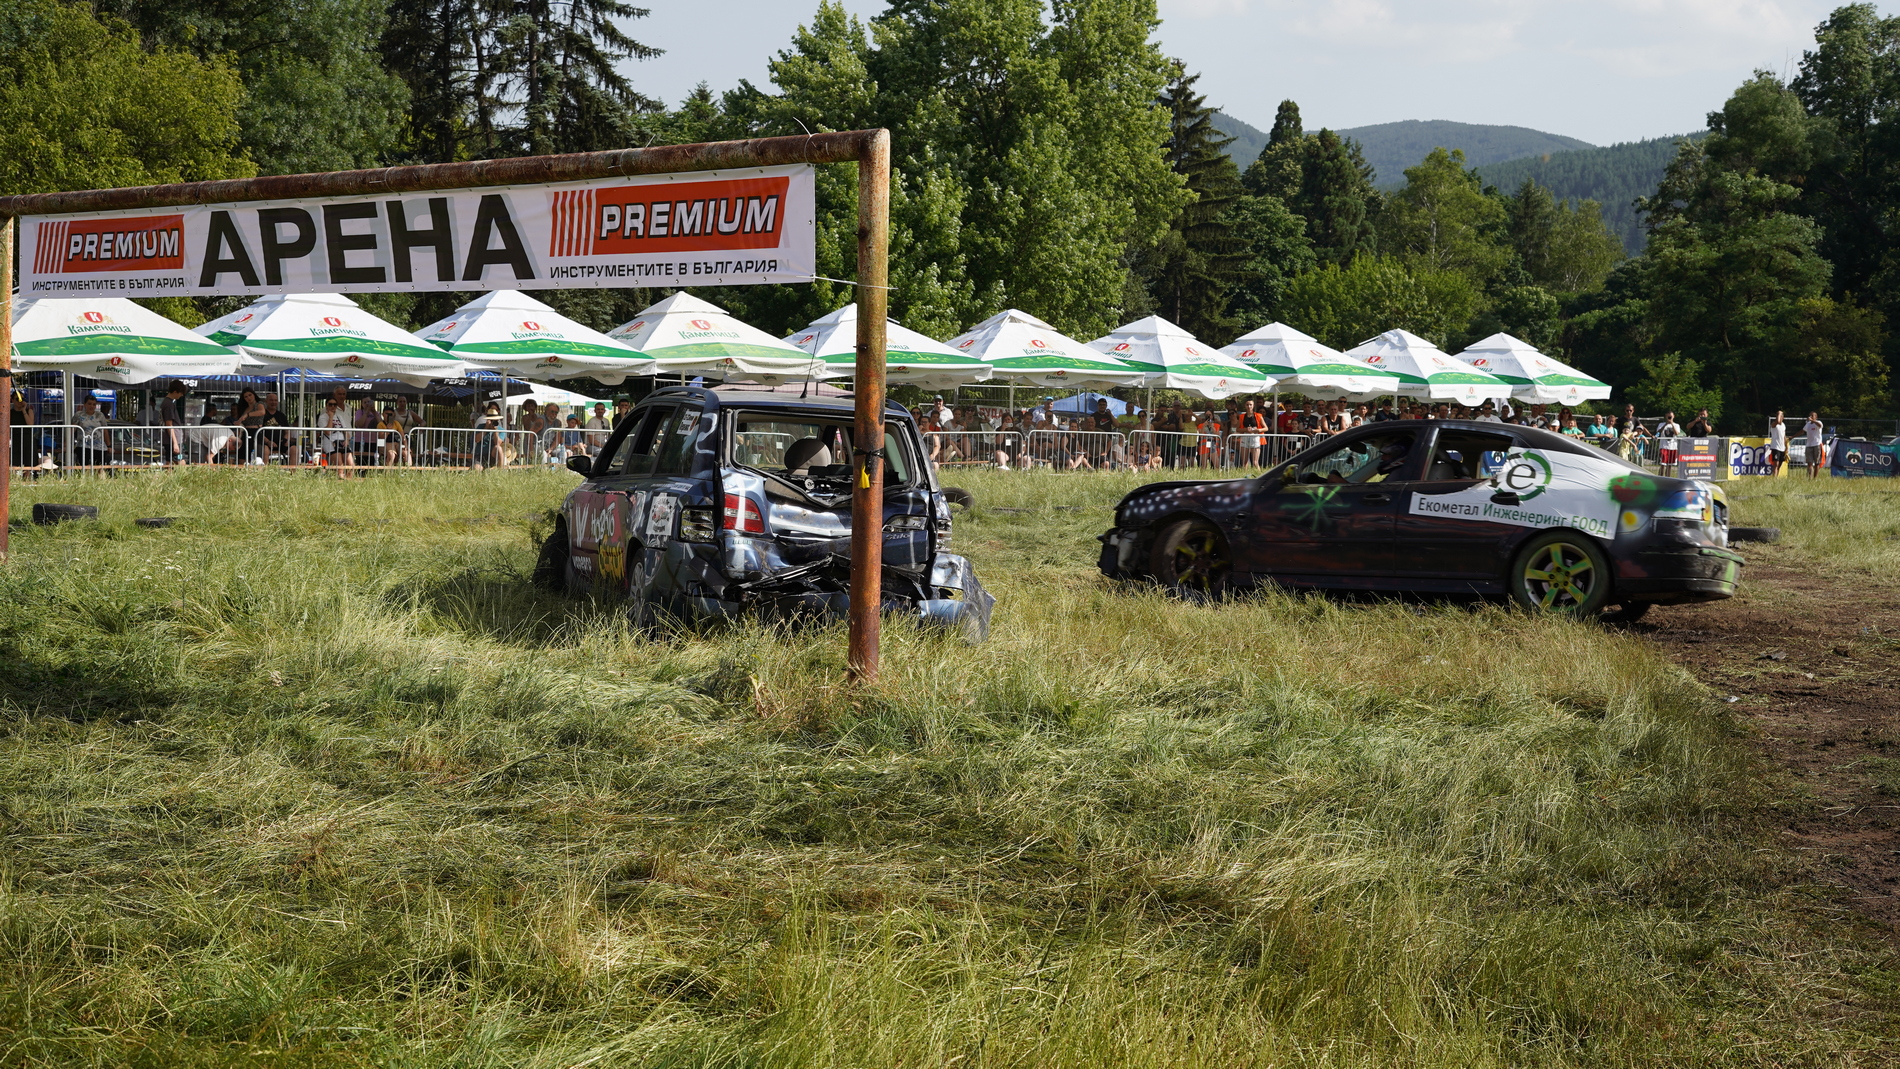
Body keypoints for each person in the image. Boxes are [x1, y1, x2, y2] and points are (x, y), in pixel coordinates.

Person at [320, 392, 354, 476]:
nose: (332, 407)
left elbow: (345, 431)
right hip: (331, 443)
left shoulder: (339, 417)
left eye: (335, 405)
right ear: (326, 405)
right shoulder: (323, 417)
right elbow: (328, 432)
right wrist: (331, 417)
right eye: (330, 404)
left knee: (351, 466)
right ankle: (340, 482)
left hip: (342, 442)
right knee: (340, 467)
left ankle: (349, 483)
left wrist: (346, 440)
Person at [73, 395, 111, 468]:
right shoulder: (78, 415)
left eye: (94, 404)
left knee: (100, 467)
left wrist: (109, 446)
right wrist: (67, 444)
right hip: (83, 446)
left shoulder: (100, 415)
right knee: (85, 467)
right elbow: (72, 430)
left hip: (99, 446)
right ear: (85, 404)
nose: (91, 406)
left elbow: (105, 431)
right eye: (89, 404)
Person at [230, 388, 266, 462]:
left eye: (250, 395)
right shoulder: (245, 408)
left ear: (254, 395)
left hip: (256, 432)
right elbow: (241, 420)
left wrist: (248, 415)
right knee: (242, 457)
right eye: (246, 397)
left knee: (256, 458)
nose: (249, 398)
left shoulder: (259, 404)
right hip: (245, 432)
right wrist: (238, 422)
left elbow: (262, 412)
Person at [158, 382, 188, 464]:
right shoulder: (169, 405)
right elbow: (169, 424)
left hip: (168, 439)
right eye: (180, 393)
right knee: (180, 460)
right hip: (174, 439)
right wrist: (175, 443)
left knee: (169, 461)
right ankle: (185, 477)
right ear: (175, 392)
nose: (181, 395)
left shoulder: (165, 402)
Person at [258, 393, 292, 464]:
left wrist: (286, 439)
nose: (273, 402)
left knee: (295, 450)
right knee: (265, 450)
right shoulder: (262, 415)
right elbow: (259, 431)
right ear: (266, 401)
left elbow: (287, 431)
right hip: (266, 443)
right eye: (271, 400)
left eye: (275, 400)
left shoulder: (281, 415)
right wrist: (268, 442)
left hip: (281, 443)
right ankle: (264, 473)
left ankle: (294, 473)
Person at [1233, 398, 1266, 467]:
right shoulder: (1242, 416)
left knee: (1255, 462)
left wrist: (1257, 430)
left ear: (1253, 406)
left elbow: (1266, 428)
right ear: (1245, 406)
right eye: (1247, 405)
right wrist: (1245, 429)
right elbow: (1238, 429)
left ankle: (1260, 476)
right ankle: (1244, 476)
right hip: (1245, 437)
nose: (1249, 406)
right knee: (1244, 462)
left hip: (1255, 438)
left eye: (1250, 405)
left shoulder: (1258, 416)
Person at [1804, 411, 1825, 477]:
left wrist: (1813, 421)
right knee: (1809, 463)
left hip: (1817, 445)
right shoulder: (1808, 424)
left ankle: (1815, 478)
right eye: (1810, 415)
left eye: (1812, 416)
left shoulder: (1818, 422)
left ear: (1816, 417)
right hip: (1809, 445)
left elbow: (1820, 426)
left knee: (1817, 463)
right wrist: (1793, 436)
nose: (1810, 417)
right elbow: (1803, 430)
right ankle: (1809, 477)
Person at [1768, 410, 1788, 475]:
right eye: (1778, 416)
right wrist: (1779, 413)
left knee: (1780, 464)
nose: (1778, 417)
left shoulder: (1783, 425)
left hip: (1782, 447)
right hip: (1775, 447)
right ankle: (1774, 478)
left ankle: (1776, 475)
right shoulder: (1774, 425)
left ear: (1783, 417)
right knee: (1776, 463)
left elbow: (1784, 436)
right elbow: (1778, 421)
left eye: (1780, 416)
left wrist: (1786, 446)